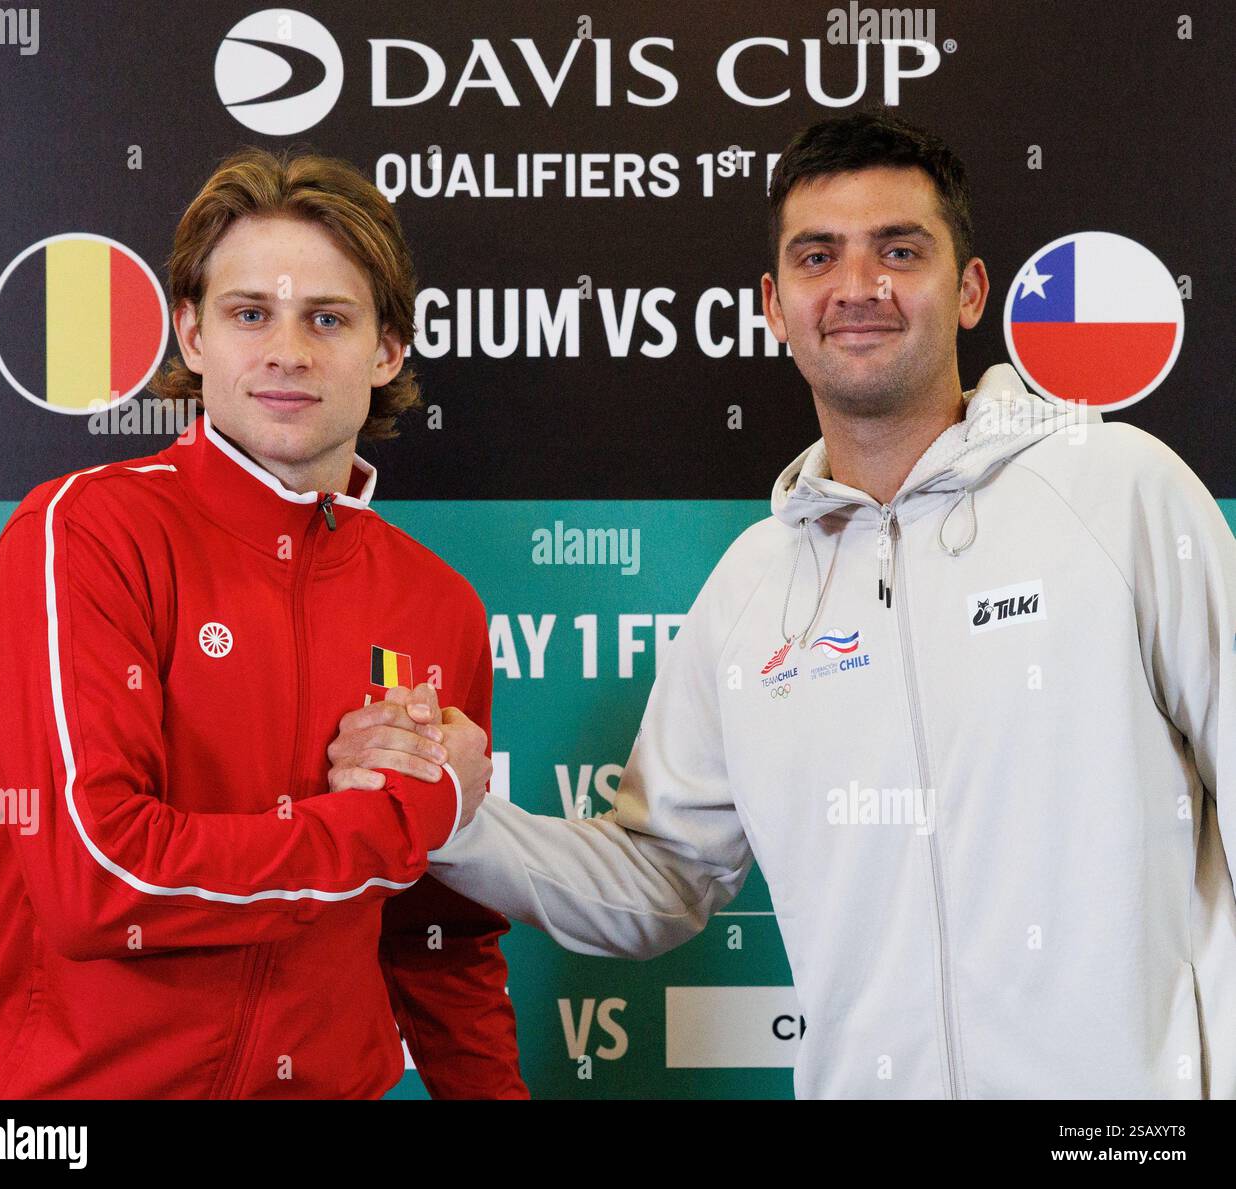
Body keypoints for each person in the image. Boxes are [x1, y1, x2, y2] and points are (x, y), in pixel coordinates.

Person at [352, 109, 1236, 1099]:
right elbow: (661, 878)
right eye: (819, 257)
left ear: (970, 289)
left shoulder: (1117, 489)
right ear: (774, 304)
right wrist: (451, 815)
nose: (857, 287)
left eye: (898, 250)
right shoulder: (750, 588)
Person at [0, 147, 525, 1099]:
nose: (287, 351)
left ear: (387, 351)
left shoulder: (436, 603)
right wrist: (403, 813)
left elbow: (437, 937)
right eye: (251, 313)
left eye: (326, 318)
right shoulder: (82, 531)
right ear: (191, 334)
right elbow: (100, 881)